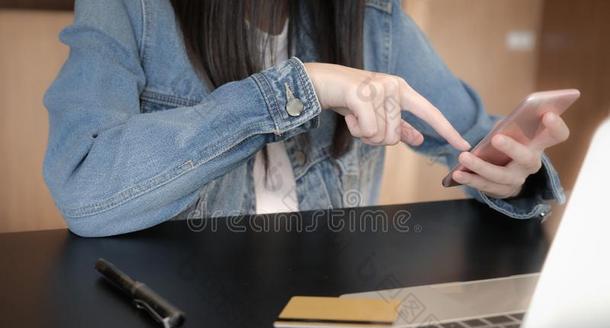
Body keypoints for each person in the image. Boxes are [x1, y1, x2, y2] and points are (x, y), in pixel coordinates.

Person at [43, 0, 569, 237]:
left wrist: (510, 177)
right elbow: (85, 189)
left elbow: (472, 138)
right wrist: (301, 88)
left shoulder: (370, 15)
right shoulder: (132, 8)